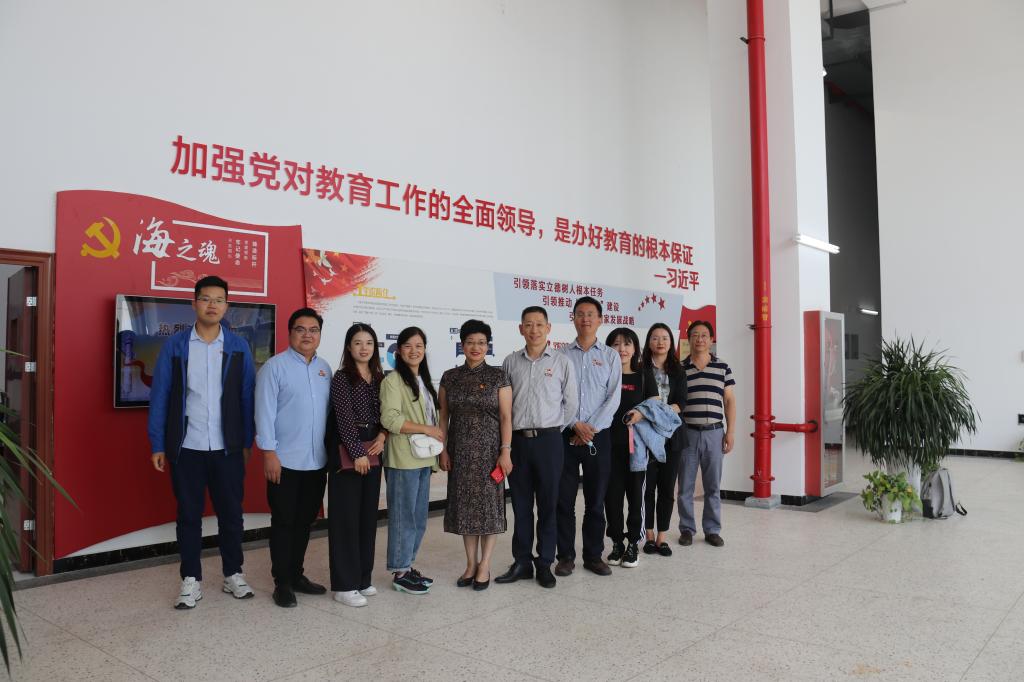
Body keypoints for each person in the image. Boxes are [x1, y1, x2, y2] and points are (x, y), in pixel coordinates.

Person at [148, 275, 256, 609]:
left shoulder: (238, 346)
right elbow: (160, 396)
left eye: (219, 300)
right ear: (194, 303)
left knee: (231, 515)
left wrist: (246, 441)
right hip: (187, 447)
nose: (212, 305)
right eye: (206, 299)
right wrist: (158, 443)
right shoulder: (176, 346)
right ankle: (191, 579)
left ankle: (233, 573)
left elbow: (247, 397)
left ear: (227, 305)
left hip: (228, 448)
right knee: (189, 516)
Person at [495, 306, 577, 589]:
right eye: (528, 324)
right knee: (520, 506)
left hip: (549, 442)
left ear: (548, 328)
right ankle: (521, 562)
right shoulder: (510, 362)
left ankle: (544, 563)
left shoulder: (562, 362)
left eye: (539, 324)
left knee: (548, 505)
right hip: (517, 442)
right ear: (520, 329)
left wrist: (552, 430)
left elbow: (571, 404)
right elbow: (504, 406)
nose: (534, 329)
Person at [255, 308, 331, 607]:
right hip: (284, 461)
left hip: (316, 461)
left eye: (313, 330)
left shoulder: (324, 369)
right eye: (301, 329)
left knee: (304, 522)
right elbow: (263, 413)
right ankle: (282, 583)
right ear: (290, 333)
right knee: (284, 522)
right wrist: (269, 453)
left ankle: (297, 575)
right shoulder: (274, 368)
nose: (307, 335)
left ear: (320, 334)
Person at [438, 320, 513, 591]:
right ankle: (470, 564)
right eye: (470, 342)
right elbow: (443, 417)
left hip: (491, 454)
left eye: (481, 342)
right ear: (462, 344)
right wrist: (443, 449)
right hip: (460, 453)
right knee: (466, 511)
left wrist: (505, 451)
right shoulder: (450, 377)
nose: (476, 347)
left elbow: (506, 417)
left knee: (489, 511)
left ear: (488, 346)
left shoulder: (498, 376)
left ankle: (485, 564)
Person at [556, 297, 621, 578]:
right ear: (573, 318)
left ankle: (593, 556)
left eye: (591, 314)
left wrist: (589, 429)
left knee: (596, 501)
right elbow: (556, 397)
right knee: (563, 501)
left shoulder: (610, 356)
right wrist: (575, 425)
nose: (585, 319)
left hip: (599, 438)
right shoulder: (560, 355)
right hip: (566, 437)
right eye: (580, 314)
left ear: (600, 320)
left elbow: (613, 398)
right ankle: (565, 557)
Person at [327, 323, 387, 607]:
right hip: (349, 449)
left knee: (366, 517)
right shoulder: (342, 378)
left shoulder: (380, 378)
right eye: (358, 343)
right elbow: (343, 417)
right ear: (349, 348)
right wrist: (357, 452)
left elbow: (388, 413)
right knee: (346, 519)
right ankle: (344, 584)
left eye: (369, 343)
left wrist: (383, 436)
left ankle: (363, 578)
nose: (364, 348)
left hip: (375, 446)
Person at [380, 326, 442, 594]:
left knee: (418, 518)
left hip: (423, 459)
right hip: (403, 459)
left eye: (419, 346)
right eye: (407, 346)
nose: (414, 351)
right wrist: (427, 429)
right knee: (403, 517)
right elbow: (390, 419)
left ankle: (406, 565)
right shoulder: (393, 381)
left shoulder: (423, 380)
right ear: (398, 351)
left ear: (425, 349)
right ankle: (400, 571)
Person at [677, 320, 735, 548]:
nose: (699, 339)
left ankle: (712, 530)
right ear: (689, 339)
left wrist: (730, 432)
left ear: (711, 340)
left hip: (714, 433)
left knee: (713, 486)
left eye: (704, 335)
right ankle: (687, 529)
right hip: (688, 433)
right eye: (695, 335)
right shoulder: (680, 368)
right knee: (685, 487)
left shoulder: (722, 367)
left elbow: (729, 401)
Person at [604, 327, 658, 569]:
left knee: (636, 496)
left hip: (636, 448)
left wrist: (640, 413)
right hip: (608, 446)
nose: (622, 349)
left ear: (635, 348)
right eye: (616, 344)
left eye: (627, 344)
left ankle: (634, 543)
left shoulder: (644, 375)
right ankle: (617, 542)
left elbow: (656, 406)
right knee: (612, 497)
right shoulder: (605, 374)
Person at [641, 323, 689, 556]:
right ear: (648, 342)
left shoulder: (679, 371)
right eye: (655, 338)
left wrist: (657, 415)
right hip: (646, 436)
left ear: (671, 343)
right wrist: (655, 415)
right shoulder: (640, 369)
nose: (660, 342)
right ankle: (649, 535)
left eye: (665, 338)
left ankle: (662, 536)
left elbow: (681, 402)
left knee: (667, 489)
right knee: (647, 488)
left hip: (672, 437)